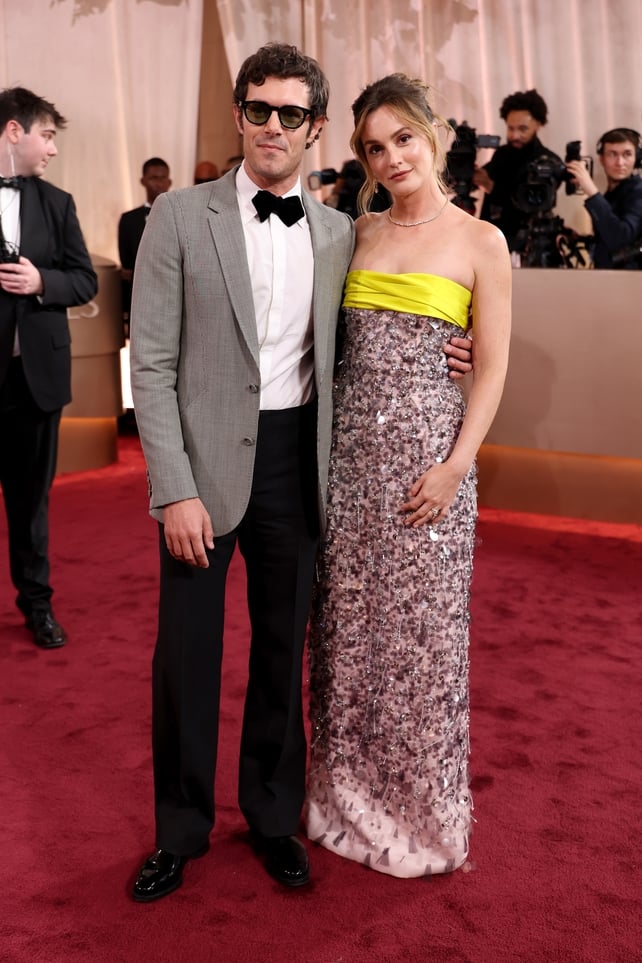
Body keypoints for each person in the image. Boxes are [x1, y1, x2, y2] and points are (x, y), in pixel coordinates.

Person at [129, 45, 474, 903]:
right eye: (258, 109)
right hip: (203, 469)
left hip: (301, 463)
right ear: (239, 115)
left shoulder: (338, 233)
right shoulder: (178, 215)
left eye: (290, 113)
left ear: (318, 129)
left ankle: (274, 817)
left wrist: (452, 356)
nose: (272, 126)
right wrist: (171, 486)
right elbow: (154, 364)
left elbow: (387, 325)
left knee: (287, 653)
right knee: (188, 657)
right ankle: (178, 829)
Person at [304, 73, 512, 879]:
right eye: (373, 146)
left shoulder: (480, 241)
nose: (391, 157)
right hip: (349, 462)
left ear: (434, 138)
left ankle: (420, 812)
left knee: (423, 643)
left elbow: (491, 369)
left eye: (403, 139)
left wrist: (457, 464)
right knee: (350, 639)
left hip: (430, 465)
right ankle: (342, 795)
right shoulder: (355, 235)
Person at [0, 87, 97, 649]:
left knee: (31, 501)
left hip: (36, 380)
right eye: (48, 135)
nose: (53, 150)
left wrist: (43, 283)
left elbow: (84, 279)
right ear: (15, 131)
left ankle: (36, 605)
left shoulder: (58, 203)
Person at [473, 88, 562, 250]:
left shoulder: (550, 163)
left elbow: (531, 205)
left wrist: (491, 186)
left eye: (522, 129)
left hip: (530, 247)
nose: (514, 136)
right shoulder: (501, 154)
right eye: (510, 128)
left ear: (538, 124)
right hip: (491, 244)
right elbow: (481, 175)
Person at [567, 127, 642, 268]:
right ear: (602, 159)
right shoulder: (612, 194)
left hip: (630, 283)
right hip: (608, 279)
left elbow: (620, 237)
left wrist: (591, 190)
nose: (620, 162)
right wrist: (581, 238)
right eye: (612, 154)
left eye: (627, 154)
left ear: (636, 158)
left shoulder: (638, 193)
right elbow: (610, 238)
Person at [117, 157, 171, 331]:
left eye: (163, 178)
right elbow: (127, 265)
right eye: (154, 178)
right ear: (143, 181)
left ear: (169, 182)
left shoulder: (183, 215)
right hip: (139, 297)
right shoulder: (129, 219)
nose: (159, 184)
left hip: (173, 295)